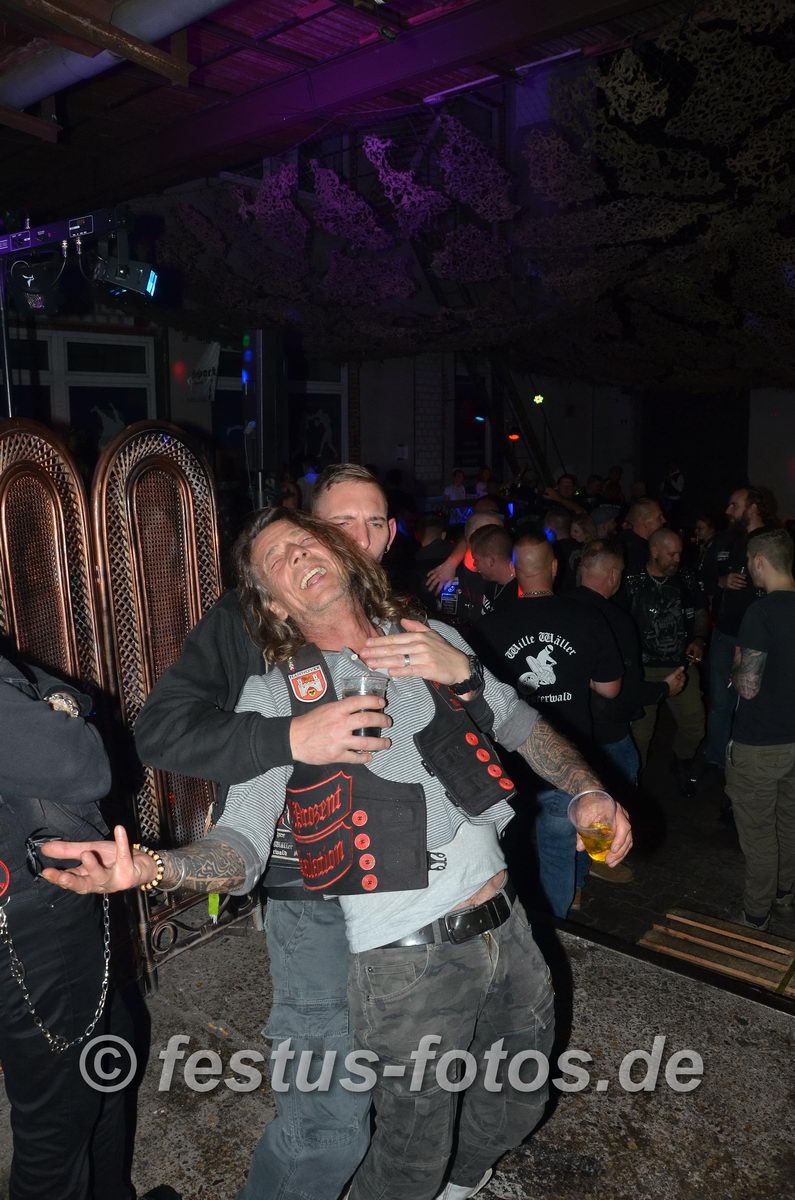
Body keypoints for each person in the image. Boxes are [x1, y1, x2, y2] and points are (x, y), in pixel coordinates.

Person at [45, 508, 632, 1200]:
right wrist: (152, 867)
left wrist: (587, 789)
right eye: (276, 561)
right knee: (410, 1157)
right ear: (273, 604)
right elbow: (240, 845)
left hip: (509, 926)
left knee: (517, 1104)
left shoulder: (432, 640)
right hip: (408, 962)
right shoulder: (275, 698)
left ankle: (464, 1183)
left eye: (305, 542)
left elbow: (522, 724)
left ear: (343, 556)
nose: (296, 556)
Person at [133, 464, 400, 1200]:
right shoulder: (247, 616)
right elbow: (161, 730)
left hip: (408, 895)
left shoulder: (408, 621)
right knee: (327, 1119)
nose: (359, 540)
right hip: (305, 881)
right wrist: (289, 737)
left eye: (375, 523)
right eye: (339, 525)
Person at [0, 649, 161, 1200]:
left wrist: (57, 703)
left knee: (108, 1060)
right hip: (29, 921)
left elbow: (69, 694)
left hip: (45, 900)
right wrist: (57, 709)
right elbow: (81, 763)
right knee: (58, 1123)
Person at [474, 533, 623, 917]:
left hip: (508, 766)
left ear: (513, 569)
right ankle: (557, 926)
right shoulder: (587, 617)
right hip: (565, 760)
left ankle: (521, 924)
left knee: (509, 854)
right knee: (559, 852)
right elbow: (609, 688)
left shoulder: (487, 626)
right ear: (555, 568)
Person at [725, 528, 795, 930]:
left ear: (759, 561)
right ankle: (785, 893)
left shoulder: (761, 612)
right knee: (789, 822)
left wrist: (736, 663)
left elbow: (748, 687)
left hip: (761, 743)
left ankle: (756, 914)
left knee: (759, 833)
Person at [625, 528, 708, 795]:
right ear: (654, 552)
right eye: (671, 554)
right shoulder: (631, 580)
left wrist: (699, 639)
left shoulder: (686, 578)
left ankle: (681, 761)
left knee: (695, 724)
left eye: (679, 553)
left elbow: (700, 613)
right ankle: (634, 783)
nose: (677, 559)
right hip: (644, 670)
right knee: (640, 733)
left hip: (680, 666)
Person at [701, 486, 777, 773]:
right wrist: (721, 582)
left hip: (761, 639)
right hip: (725, 633)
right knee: (721, 702)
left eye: (734, 505)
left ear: (753, 508)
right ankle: (717, 760)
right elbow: (701, 578)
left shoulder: (775, 541)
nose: (727, 511)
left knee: (755, 702)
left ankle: (750, 761)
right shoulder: (725, 541)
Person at [469, 523, 518, 611]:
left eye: (476, 559)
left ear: (490, 561)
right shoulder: (490, 582)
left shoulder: (517, 596)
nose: (474, 564)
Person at [619, 498, 665, 570]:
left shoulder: (624, 540)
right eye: (659, 517)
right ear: (646, 522)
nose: (664, 520)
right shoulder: (639, 553)